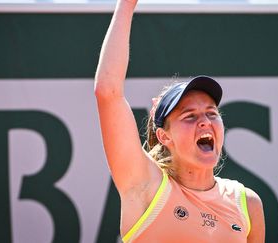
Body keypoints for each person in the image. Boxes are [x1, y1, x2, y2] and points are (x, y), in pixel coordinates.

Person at [94, 0, 265, 242]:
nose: (204, 121)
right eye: (190, 116)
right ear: (165, 136)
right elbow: (107, 92)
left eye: (211, 112)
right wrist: (126, 5)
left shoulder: (247, 203)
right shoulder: (146, 189)